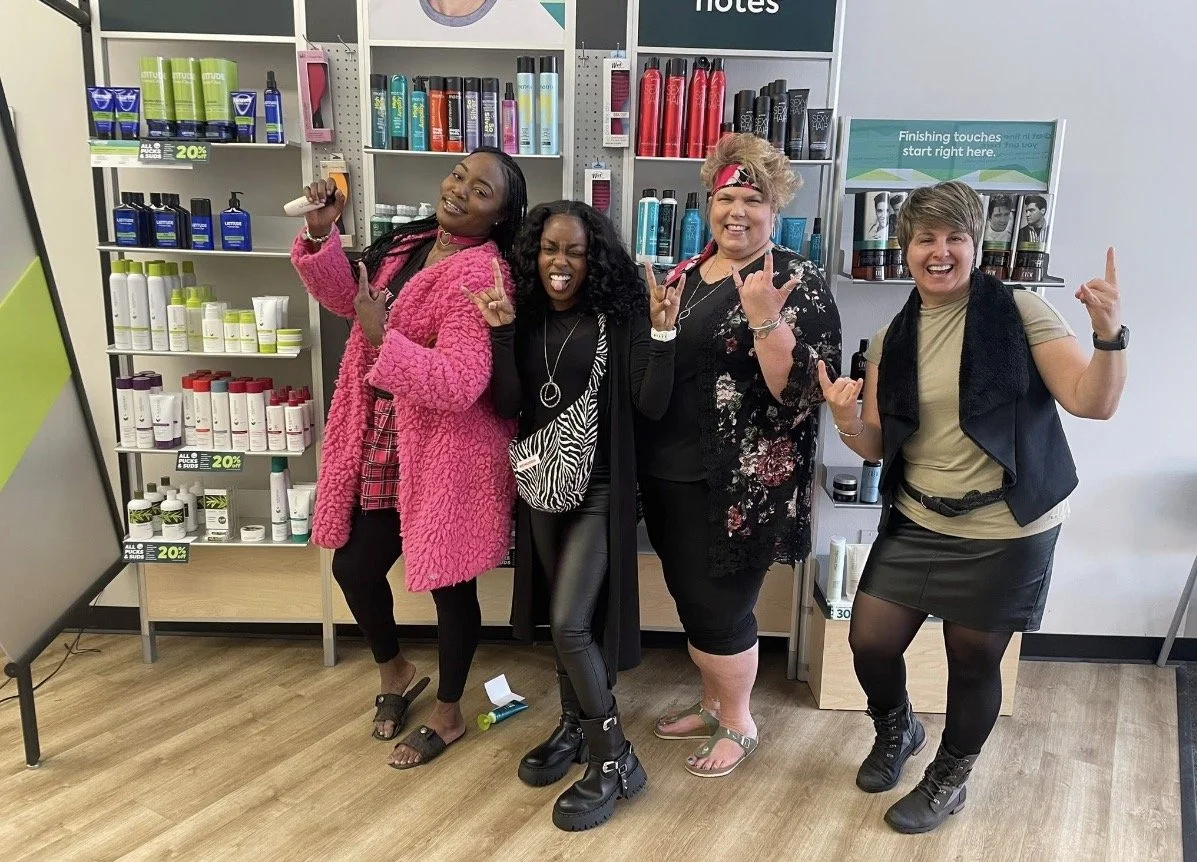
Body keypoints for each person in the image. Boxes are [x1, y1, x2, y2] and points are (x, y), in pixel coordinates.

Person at [818, 180, 1127, 834]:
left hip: (1006, 523)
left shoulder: (1020, 313)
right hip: (919, 517)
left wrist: (1108, 337)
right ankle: (896, 730)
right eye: (925, 238)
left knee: (971, 659)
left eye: (953, 237)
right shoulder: (889, 338)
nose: (939, 250)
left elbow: (1091, 402)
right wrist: (844, 418)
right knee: (869, 641)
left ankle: (949, 775)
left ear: (974, 245)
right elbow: (875, 447)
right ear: (904, 250)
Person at [291, 147, 528, 769]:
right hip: (382, 439)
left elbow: (459, 381)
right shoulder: (412, 245)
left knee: (450, 585)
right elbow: (352, 298)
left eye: (481, 191)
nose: (459, 190)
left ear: (500, 216)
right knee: (355, 569)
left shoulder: (482, 275)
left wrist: (379, 339)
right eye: (459, 175)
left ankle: (449, 712)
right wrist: (322, 237)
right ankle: (395, 668)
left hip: (447, 451)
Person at [467, 200, 675, 830]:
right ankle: (572, 727)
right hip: (542, 484)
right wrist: (501, 335)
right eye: (550, 249)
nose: (562, 263)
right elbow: (507, 403)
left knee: (570, 622)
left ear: (595, 258)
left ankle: (614, 758)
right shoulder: (526, 320)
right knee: (561, 617)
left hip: (601, 489)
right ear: (533, 255)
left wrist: (662, 335)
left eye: (576, 252)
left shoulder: (618, 317)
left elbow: (653, 405)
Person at [640, 132, 842, 777]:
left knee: (721, 606)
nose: (736, 211)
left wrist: (763, 320)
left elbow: (803, 392)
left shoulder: (795, 280)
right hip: (670, 470)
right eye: (725, 196)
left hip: (743, 483)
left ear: (775, 207)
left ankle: (739, 721)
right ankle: (713, 703)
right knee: (689, 596)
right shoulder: (685, 275)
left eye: (752, 199)